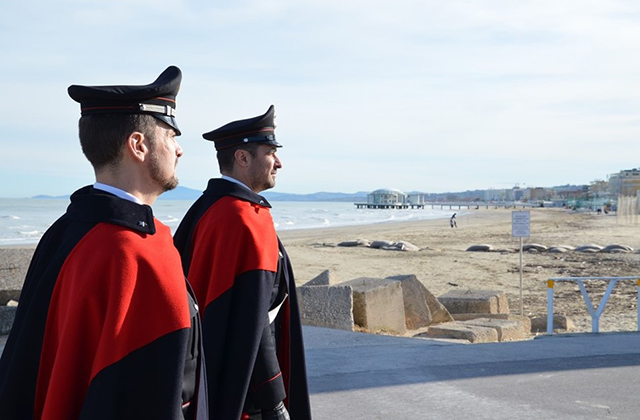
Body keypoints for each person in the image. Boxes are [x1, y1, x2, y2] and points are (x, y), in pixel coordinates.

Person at [0, 66, 208, 420]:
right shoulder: (132, 250)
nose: (179, 150)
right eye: (171, 136)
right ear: (138, 146)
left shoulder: (66, 230)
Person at [173, 105, 312, 420]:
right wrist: (274, 399)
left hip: (212, 376)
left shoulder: (208, 208)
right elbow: (255, 319)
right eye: (270, 152)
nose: (279, 162)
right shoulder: (243, 219)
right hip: (247, 394)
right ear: (243, 158)